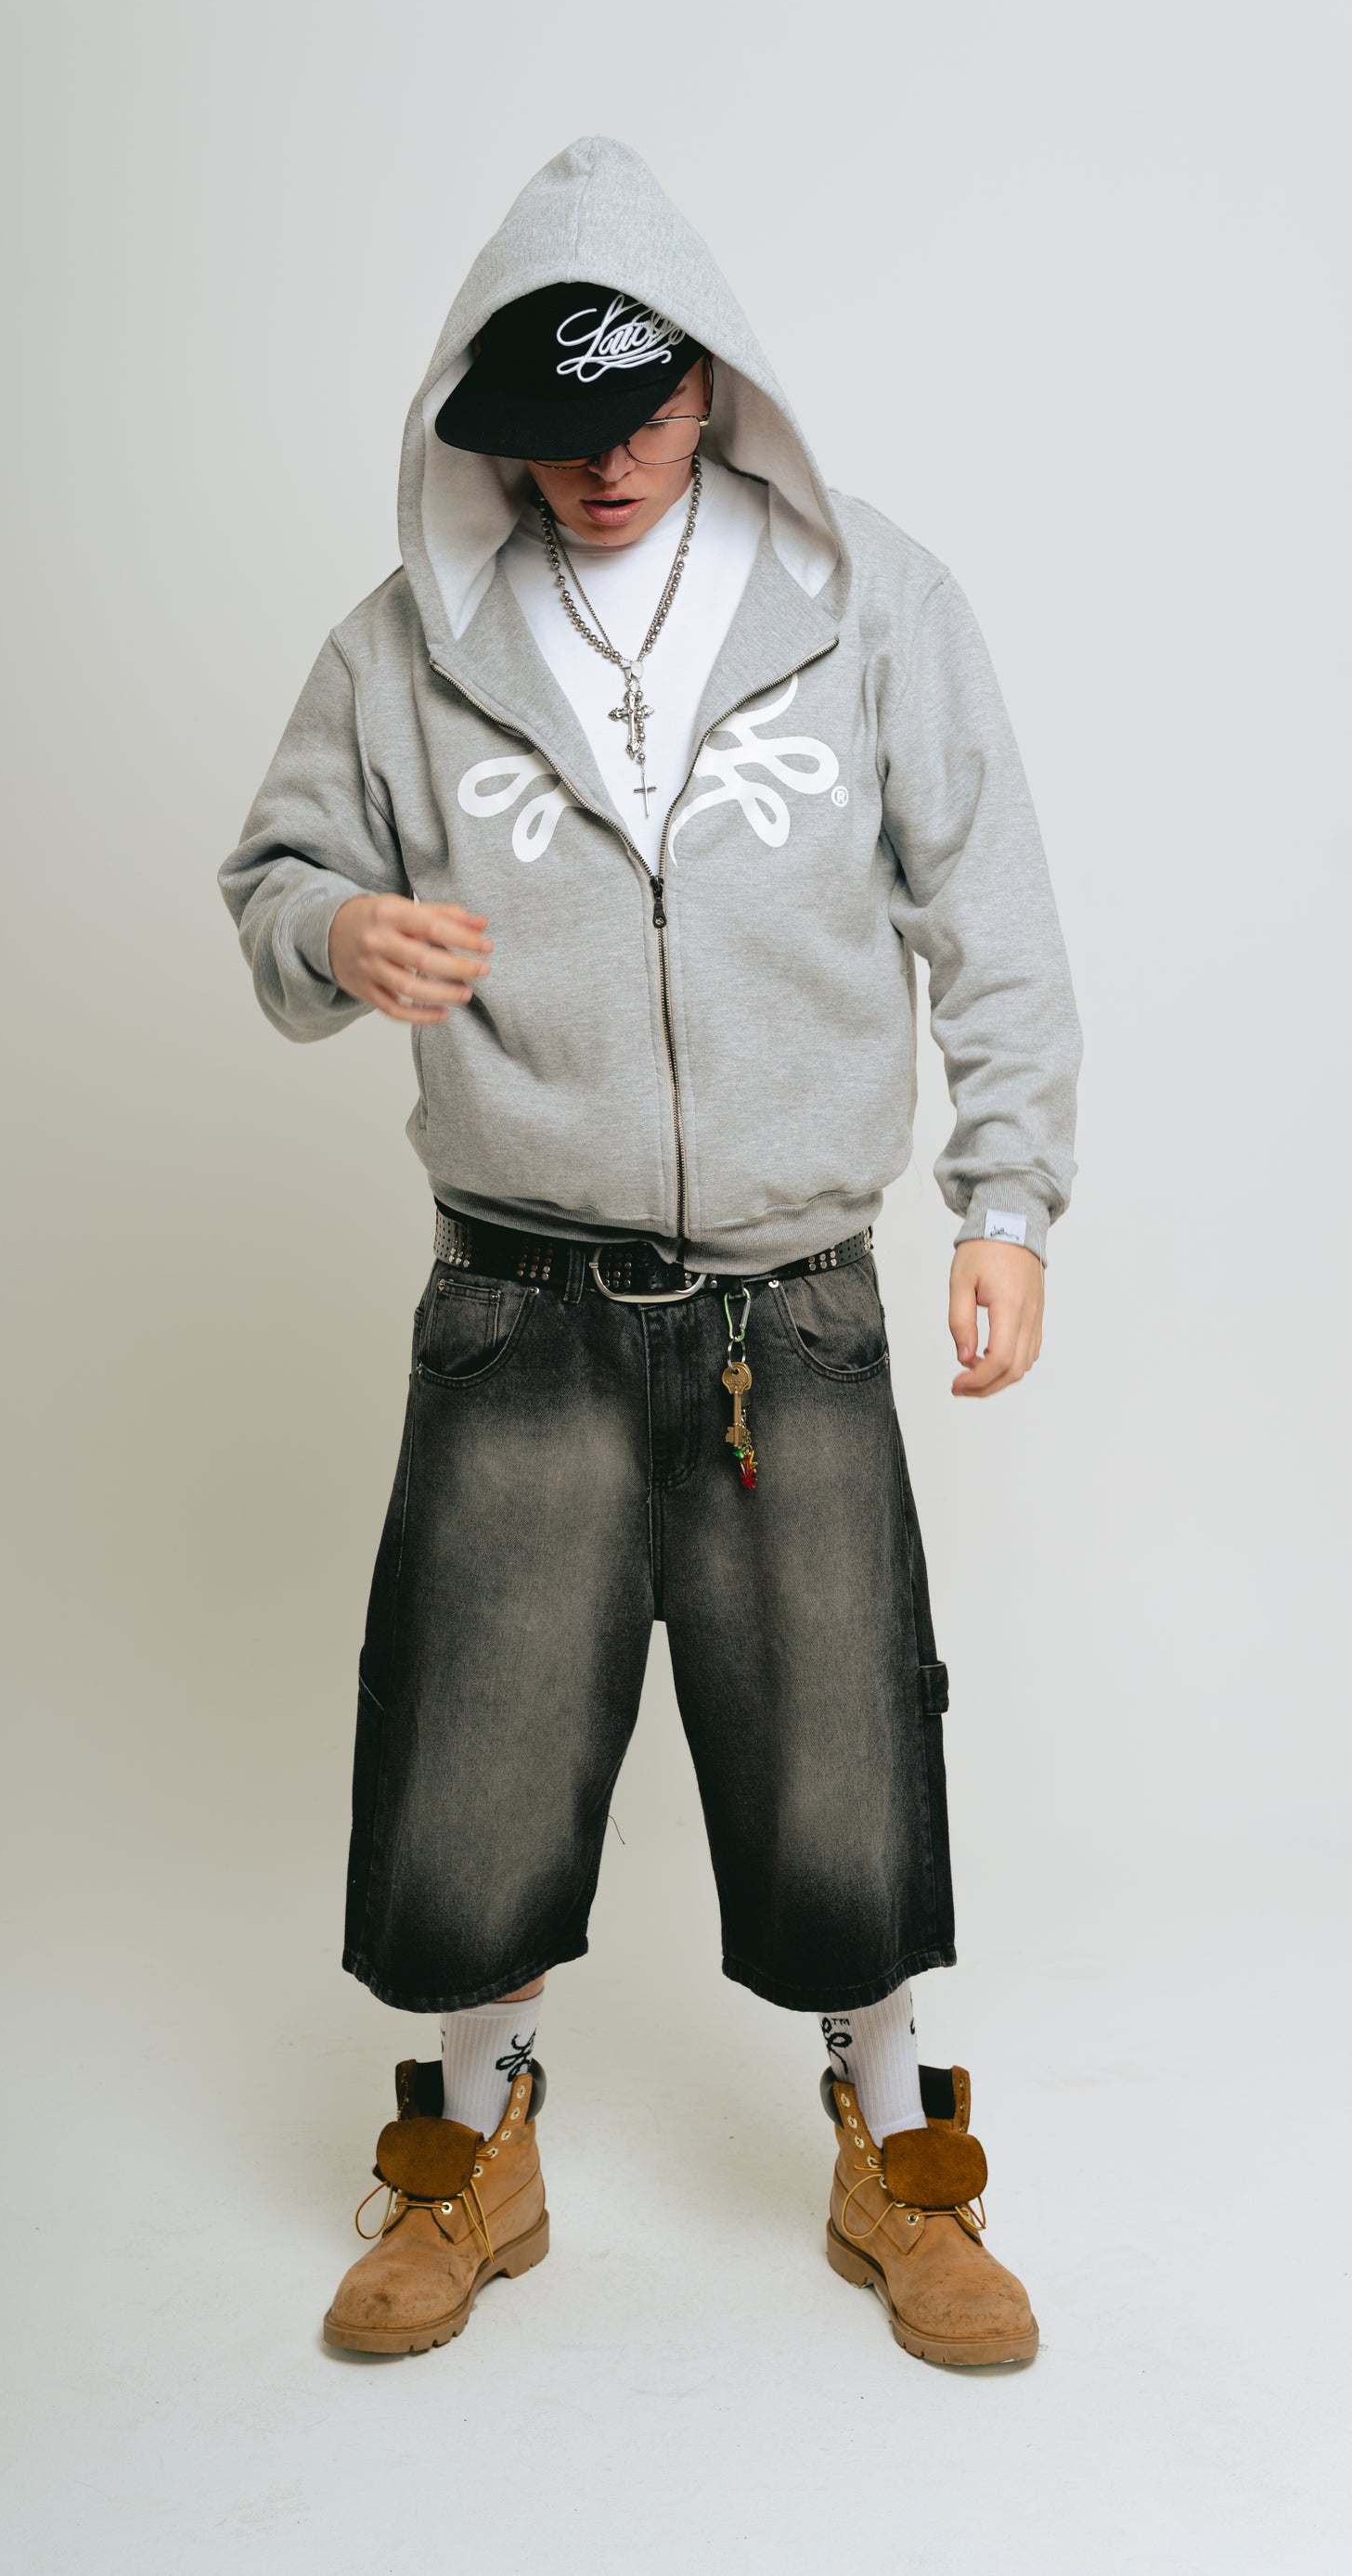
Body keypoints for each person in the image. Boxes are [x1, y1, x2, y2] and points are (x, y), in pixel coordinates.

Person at [219, 135, 1080, 2368]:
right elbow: (274, 874)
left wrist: (1004, 1200)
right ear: (482, 425)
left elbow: (989, 912)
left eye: (645, 414)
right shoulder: (408, 644)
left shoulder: (870, 602)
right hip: (516, 1299)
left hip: (793, 1299)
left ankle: (900, 2159)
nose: (604, 467)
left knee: (842, 1748)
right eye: (556, 431)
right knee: (480, 1746)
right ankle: (463, 2156)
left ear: (718, 386)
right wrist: (337, 929)